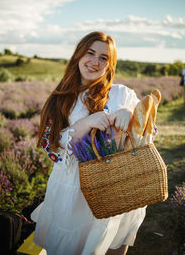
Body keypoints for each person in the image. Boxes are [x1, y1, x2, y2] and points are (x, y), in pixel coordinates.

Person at [31, 31, 146, 255]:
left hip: (115, 188)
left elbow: (149, 133)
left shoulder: (122, 94)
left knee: (108, 242)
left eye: (104, 57)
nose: (95, 61)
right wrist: (86, 123)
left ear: (110, 65)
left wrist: (128, 115)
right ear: (78, 56)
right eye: (90, 53)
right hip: (72, 191)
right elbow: (51, 149)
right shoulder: (61, 98)